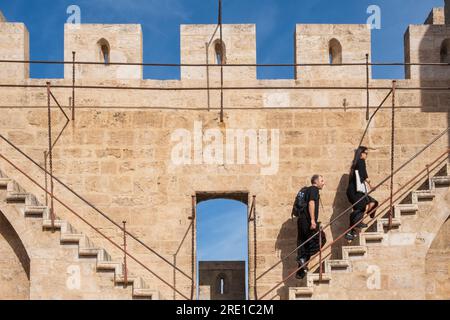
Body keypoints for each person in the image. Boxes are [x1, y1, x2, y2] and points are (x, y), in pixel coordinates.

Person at [345, 146, 379, 241]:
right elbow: (364, 175)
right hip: (354, 191)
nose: (366, 155)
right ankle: (355, 224)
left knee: (366, 205)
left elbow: (362, 175)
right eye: (366, 153)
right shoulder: (361, 161)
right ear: (361, 154)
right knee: (363, 206)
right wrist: (370, 184)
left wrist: (370, 186)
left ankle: (350, 232)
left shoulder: (356, 163)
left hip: (354, 191)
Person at [296, 174, 325, 279]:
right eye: (322, 181)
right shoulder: (314, 189)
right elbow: (311, 203)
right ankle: (302, 258)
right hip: (308, 221)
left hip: (301, 221)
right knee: (321, 239)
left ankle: (300, 272)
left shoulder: (307, 190)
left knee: (305, 244)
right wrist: (313, 220)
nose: (323, 183)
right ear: (315, 182)